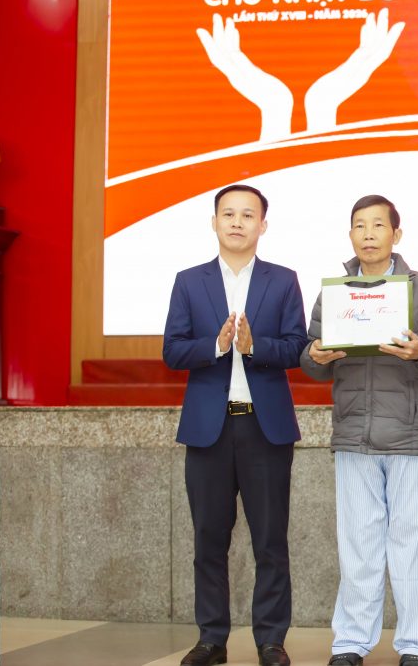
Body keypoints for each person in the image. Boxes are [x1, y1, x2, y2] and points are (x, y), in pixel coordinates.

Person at [300, 195, 418, 666]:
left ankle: (416, 645)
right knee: (358, 545)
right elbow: (310, 360)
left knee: (414, 543)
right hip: (353, 435)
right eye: (359, 225)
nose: (369, 233)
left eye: (378, 225)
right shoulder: (335, 293)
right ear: (350, 235)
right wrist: (315, 355)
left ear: (396, 233)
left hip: (409, 435)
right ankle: (351, 643)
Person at [164, 184, 306, 666]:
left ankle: (271, 640)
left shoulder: (283, 280)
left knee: (270, 541)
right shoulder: (189, 281)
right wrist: (218, 345)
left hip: (265, 429)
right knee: (209, 539)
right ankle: (211, 639)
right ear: (214, 222)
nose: (237, 222)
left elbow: (297, 348)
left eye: (248, 215)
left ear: (262, 225)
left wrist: (253, 347)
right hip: (209, 429)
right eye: (228, 214)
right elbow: (172, 350)